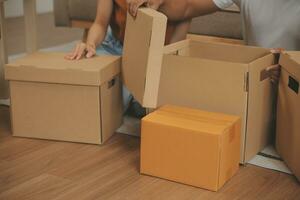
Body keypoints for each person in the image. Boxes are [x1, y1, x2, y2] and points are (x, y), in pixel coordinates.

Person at [65, 0, 191, 117]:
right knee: (98, 99)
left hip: (155, 58)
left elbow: (176, 48)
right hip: (117, 48)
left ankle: (133, 98)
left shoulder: (183, 5)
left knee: (151, 108)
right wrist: (90, 43)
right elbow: (100, 23)